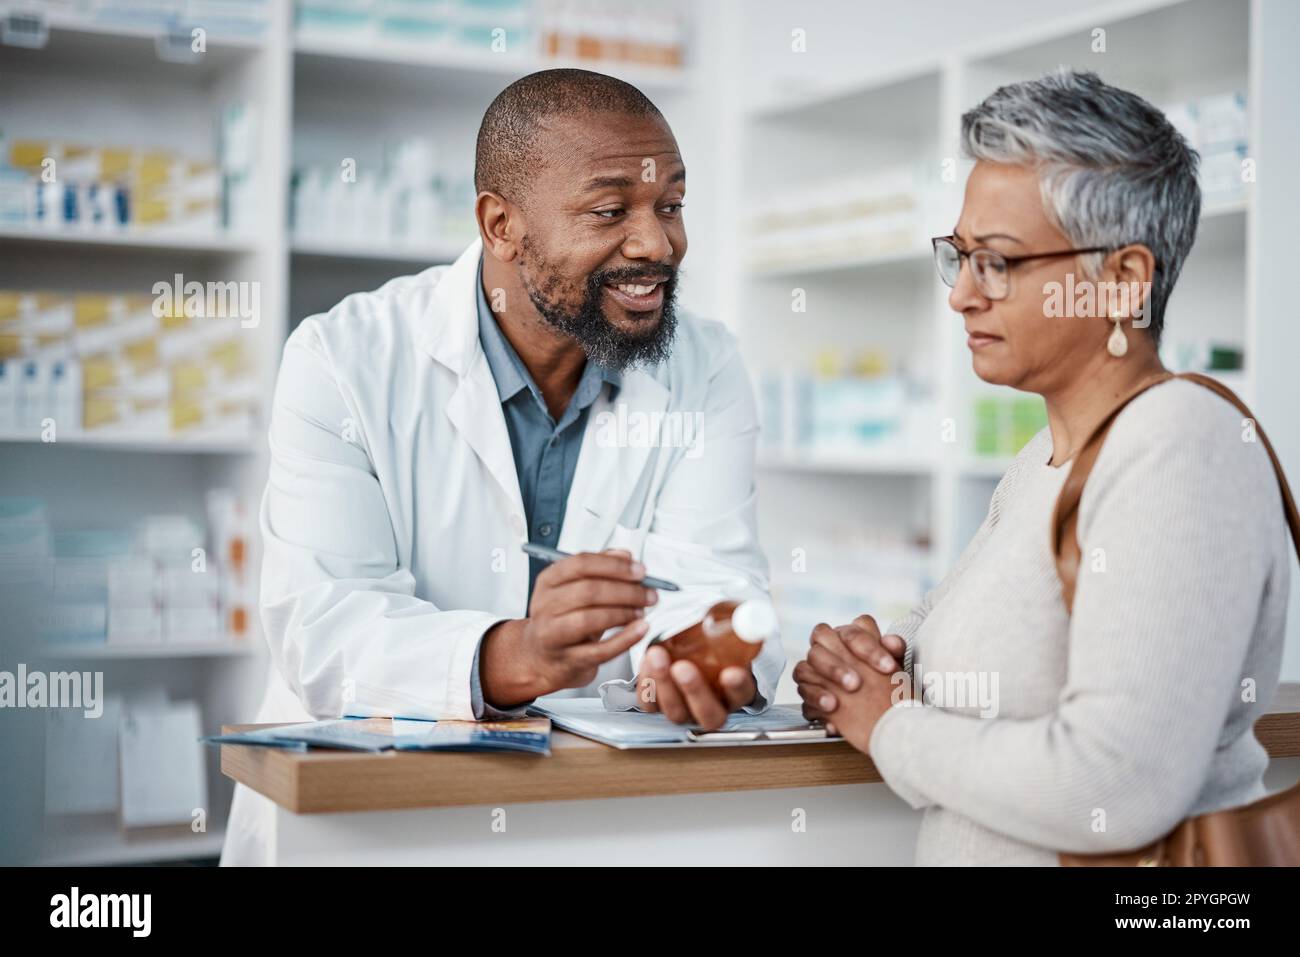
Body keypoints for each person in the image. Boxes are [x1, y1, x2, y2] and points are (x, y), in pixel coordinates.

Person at [222, 69, 784, 866]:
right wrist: (516, 651)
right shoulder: (344, 359)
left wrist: (706, 651)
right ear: (500, 224)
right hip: (363, 824)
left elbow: (719, 578)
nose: (657, 243)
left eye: (670, 204)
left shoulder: (707, 363)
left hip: (592, 820)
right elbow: (324, 626)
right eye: (609, 210)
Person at [795, 70, 1290, 865]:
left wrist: (888, 725)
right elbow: (971, 634)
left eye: (997, 261)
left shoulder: (1181, 448)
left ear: (1125, 280)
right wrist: (870, 660)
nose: (961, 295)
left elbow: (1112, 787)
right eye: (958, 257)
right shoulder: (1045, 458)